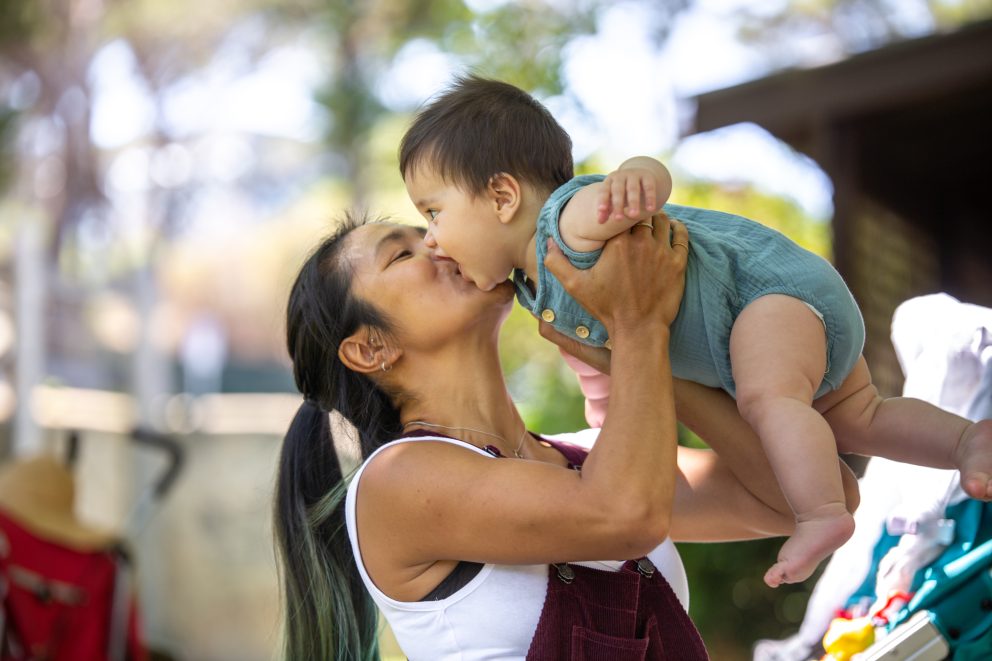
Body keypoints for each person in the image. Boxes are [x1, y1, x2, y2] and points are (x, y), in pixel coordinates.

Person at [398, 75, 992, 588]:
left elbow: (629, 190)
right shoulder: (539, 292)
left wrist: (640, 177)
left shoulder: (565, 224)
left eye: (432, 213)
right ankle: (968, 441)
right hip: (776, 322)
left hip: (765, 298)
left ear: (502, 196)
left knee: (769, 400)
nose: (430, 239)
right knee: (858, 416)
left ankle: (822, 515)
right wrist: (616, 423)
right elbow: (602, 365)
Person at [273, 211, 799, 660]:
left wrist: (624, 350)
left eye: (429, 230)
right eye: (402, 255)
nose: (438, 242)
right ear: (370, 348)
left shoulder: (593, 459)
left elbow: (792, 498)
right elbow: (625, 517)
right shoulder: (396, 482)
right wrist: (640, 323)